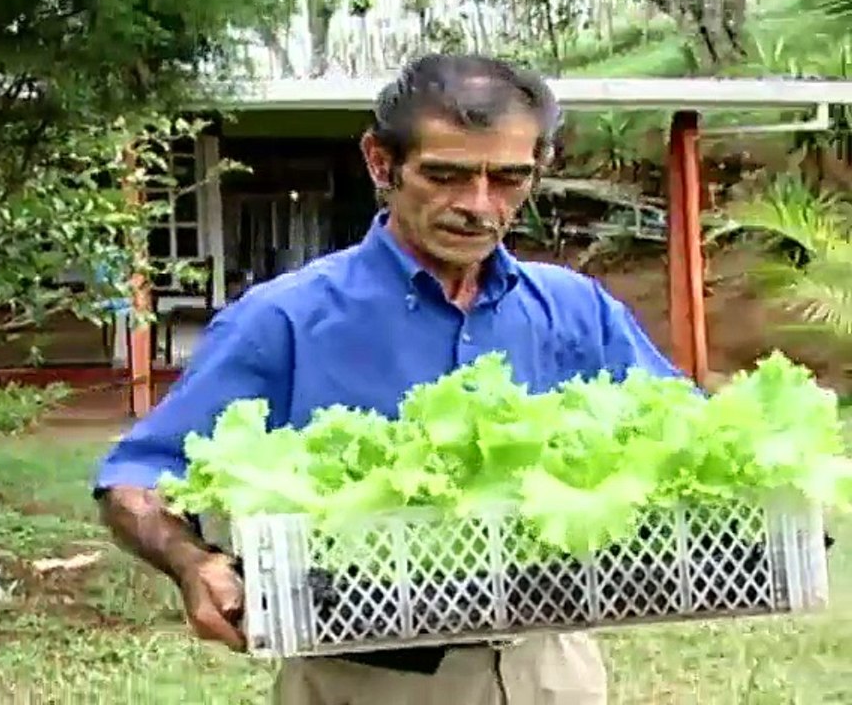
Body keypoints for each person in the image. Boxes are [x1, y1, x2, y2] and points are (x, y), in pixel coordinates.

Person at [93, 53, 685, 704]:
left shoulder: (577, 311)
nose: (479, 206)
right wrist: (193, 562)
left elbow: (690, 437)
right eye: (445, 175)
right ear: (381, 163)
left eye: (509, 179)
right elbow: (135, 477)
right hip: (362, 679)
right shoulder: (285, 318)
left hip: (549, 670)